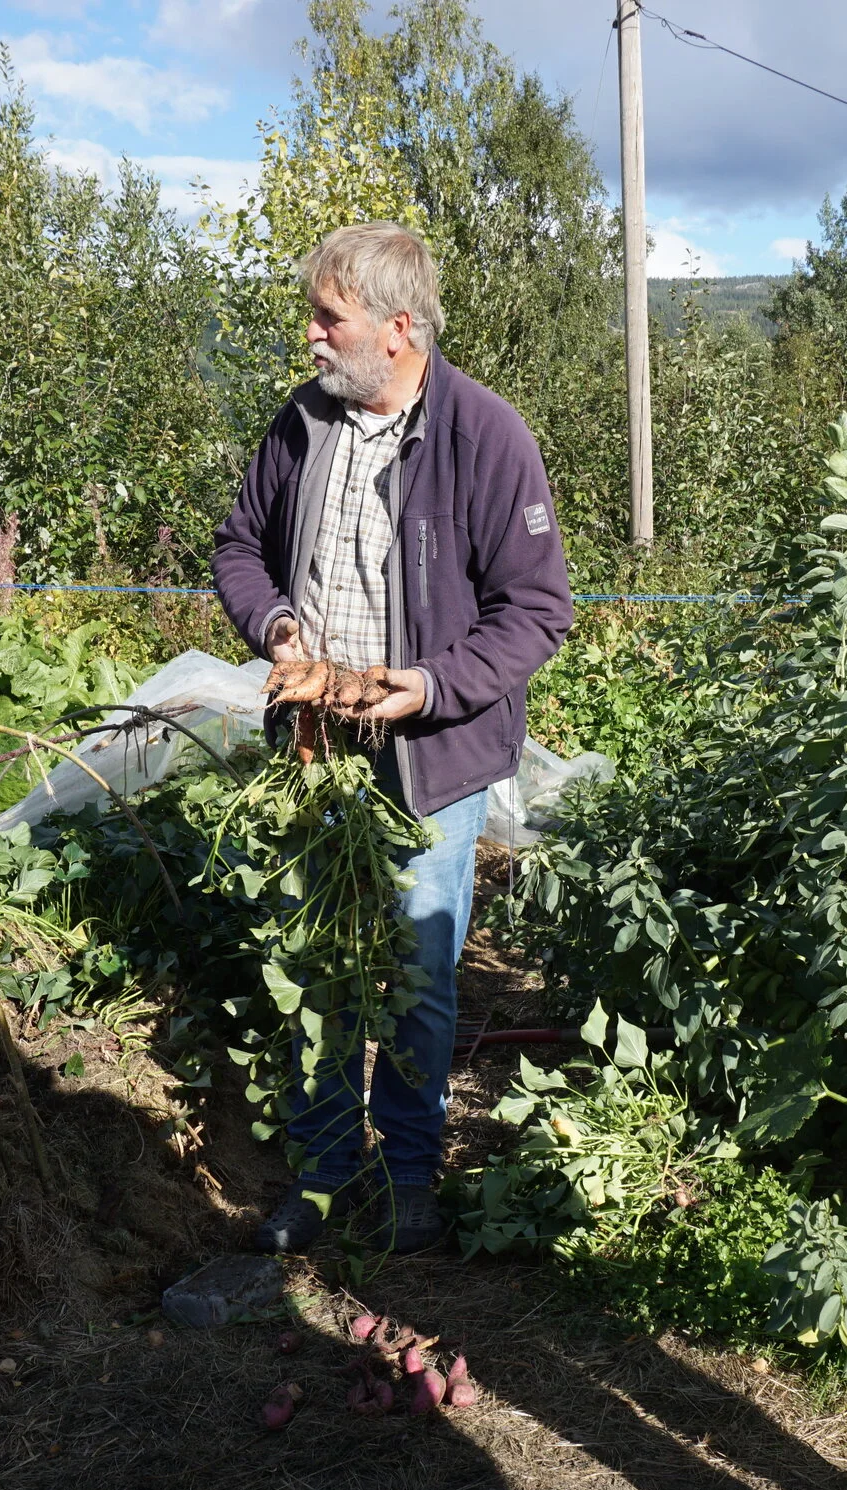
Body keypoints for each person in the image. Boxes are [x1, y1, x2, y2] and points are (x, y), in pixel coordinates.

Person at [209, 222, 573, 1256]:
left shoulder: (485, 436)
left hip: (433, 752)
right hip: (314, 745)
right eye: (315, 315)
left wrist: (424, 685)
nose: (312, 337)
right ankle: (325, 1168)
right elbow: (239, 546)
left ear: (399, 328)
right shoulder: (302, 424)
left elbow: (536, 609)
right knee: (314, 957)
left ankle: (409, 1171)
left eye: (330, 317)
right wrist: (277, 628)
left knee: (419, 961)